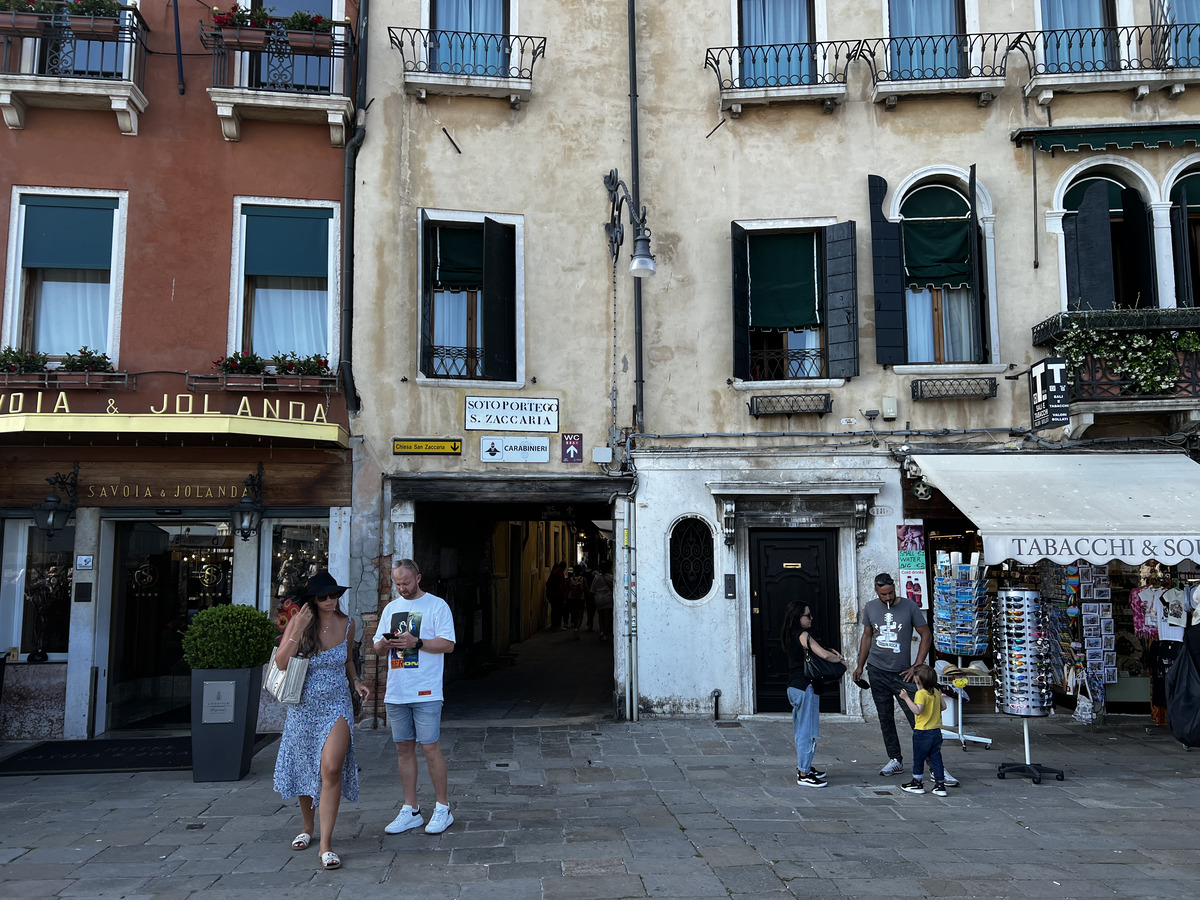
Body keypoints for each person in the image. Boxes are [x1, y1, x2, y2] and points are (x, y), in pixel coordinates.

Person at [272, 571, 370, 871]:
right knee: (304, 765)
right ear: (312, 599)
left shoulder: (349, 623)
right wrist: (297, 628)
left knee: (331, 767)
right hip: (302, 706)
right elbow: (281, 662)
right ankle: (307, 826)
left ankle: (326, 844)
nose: (330, 601)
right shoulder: (301, 622)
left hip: (336, 704)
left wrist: (356, 681)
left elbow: (348, 659)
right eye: (323, 596)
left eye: (334, 595)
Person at [376, 558, 457, 836]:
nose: (402, 588)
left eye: (406, 583)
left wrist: (417, 642)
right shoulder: (391, 608)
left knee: (430, 747)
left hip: (426, 690)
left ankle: (443, 807)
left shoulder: (437, 606)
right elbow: (376, 646)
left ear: (418, 578)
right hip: (397, 692)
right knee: (403, 749)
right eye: (397, 584)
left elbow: (448, 645)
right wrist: (384, 644)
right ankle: (411, 809)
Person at [851, 572, 958, 785]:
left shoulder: (909, 606)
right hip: (877, 670)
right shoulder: (871, 607)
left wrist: (917, 665)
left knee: (920, 720)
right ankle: (895, 759)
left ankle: (936, 769)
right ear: (876, 591)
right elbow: (867, 636)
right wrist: (860, 665)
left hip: (903, 673)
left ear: (895, 589)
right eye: (883, 594)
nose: (888, 598)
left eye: (890, 593)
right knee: (885, 717)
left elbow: (926, 635)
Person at [781, 599, 845, 787]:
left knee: (801, 729)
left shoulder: (789, 635)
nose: (811, 618)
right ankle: (803, 773)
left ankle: (806, 766)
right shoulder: (803, 635)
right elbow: (823, 655)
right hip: (805, 686)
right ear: (798, 617)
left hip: (793, 687)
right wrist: (840, 660)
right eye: (807, 615)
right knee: (807, 731)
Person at [899, 664, 949, 796]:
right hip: (936, 731)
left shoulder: (920, 693)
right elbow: (943, 707)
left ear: (918, 680)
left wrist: (906, 698)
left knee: (919, 757)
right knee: (936, 758)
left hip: (922, 731)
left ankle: (917, 782)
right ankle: (940, 785)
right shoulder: (936, 692)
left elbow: (917, 711)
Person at [590, 562, 614, 642]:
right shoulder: (611, 577)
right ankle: (606, 634)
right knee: (607, 617)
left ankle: (601, 631)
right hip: (608, 598)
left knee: (600, 616)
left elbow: (592, 590)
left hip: (598, 599)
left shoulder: (597, 577)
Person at [565, 566, 591, 638]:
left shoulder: (570, 579)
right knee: (580, 615)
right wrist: (589, 597)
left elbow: (567, 590)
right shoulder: (583, 579)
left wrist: (565, 599)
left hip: (571, 598)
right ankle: (577, 628)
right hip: (580, 599)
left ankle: (575, 627)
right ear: (581, 571)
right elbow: (586, 589)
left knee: (574, 614)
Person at [546, 561, 567, 630]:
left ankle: (553, 624)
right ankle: (557, 625)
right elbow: (561, 585)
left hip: (551, 594)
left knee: (554, 609)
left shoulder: (554, 572)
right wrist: (563, 596)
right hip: (557, 594)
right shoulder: (560, 573)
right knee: (559, 610)